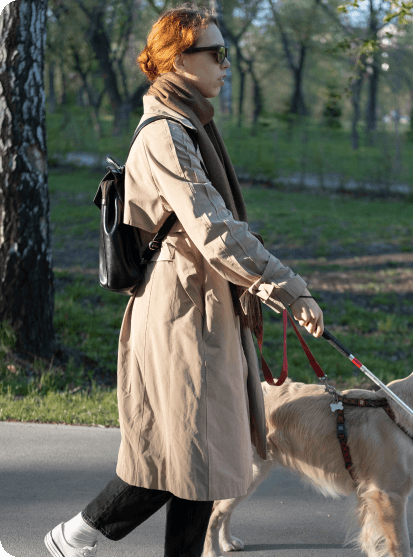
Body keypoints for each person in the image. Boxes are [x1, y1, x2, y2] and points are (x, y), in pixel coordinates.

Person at [44, 3, 324, 557]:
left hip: (203, 307)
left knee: (198, 463)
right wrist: (287, 286)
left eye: (226, 53)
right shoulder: (166, 135)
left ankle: (77, 537)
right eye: (216, 54)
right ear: (177, 59)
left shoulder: (191, 123)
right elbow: (213, 227)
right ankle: (74, 536)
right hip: (181, 315)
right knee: (184, 461)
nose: (226, 65)